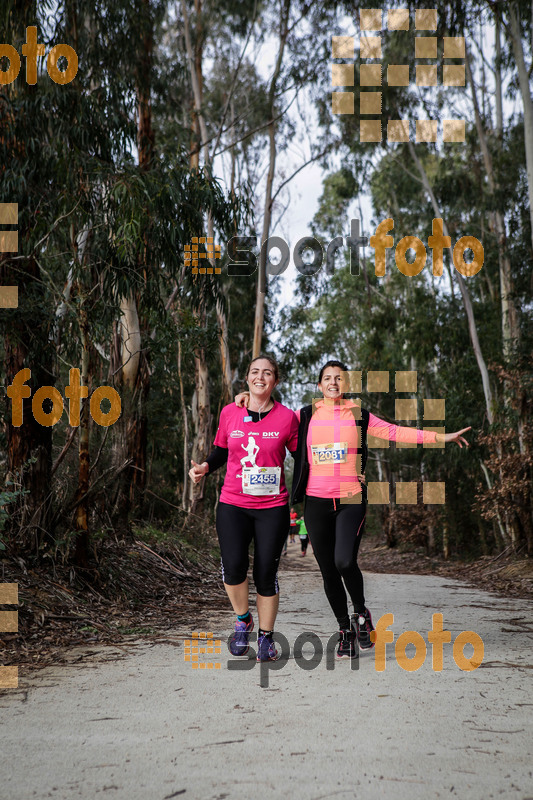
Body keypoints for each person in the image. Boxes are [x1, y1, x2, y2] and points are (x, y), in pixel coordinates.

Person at [290, 360, 471, 659]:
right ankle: (344, 629)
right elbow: (272, 423)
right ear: (319, 385)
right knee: (328, 573)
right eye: (327, 378)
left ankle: (361, 613)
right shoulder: (305, 415)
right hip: (316, 502)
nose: (334, 382)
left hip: (350, 498)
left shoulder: (359, 415)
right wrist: (245, 402)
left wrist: (441, 437)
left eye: (340, 378)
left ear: (347, 384)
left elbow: (397, 433)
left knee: (344, 562)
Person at [189, 355, 298, 662]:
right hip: (233, 504)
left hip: (272, 507)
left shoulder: (288, 418)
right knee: (233, 567)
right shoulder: (230, 412)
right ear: (247, 379)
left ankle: (265, 638)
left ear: (275, 381)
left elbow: (302, 456)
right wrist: (205, 467)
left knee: (266, 573)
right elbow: (222, 450)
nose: (260, 376)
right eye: (254, 372)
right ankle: (242, 620)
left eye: (267, 373)